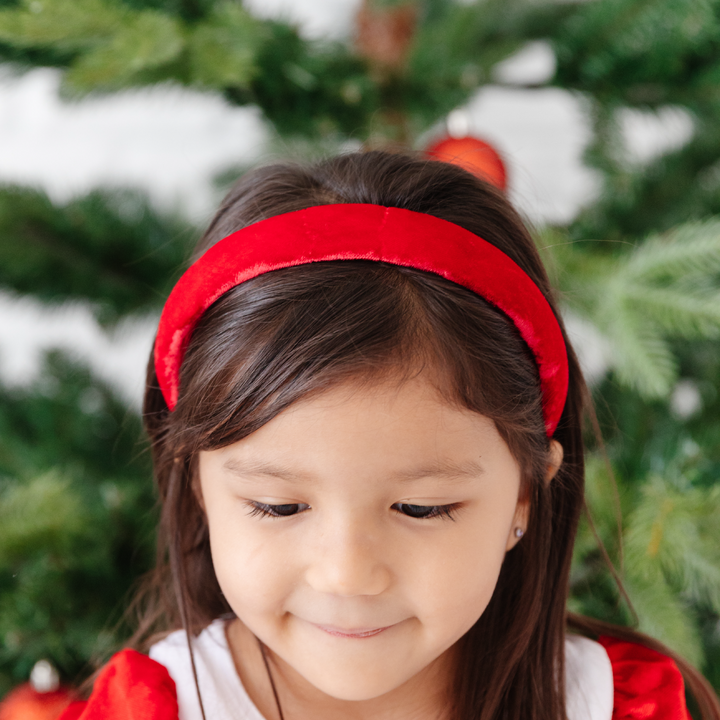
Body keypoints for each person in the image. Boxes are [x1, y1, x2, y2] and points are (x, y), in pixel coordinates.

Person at [61, 151, 720, 720]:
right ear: (198, 483)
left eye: (422, 508)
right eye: (277, 506)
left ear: (525, 492)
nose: (349, 575)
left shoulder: (610, 704)